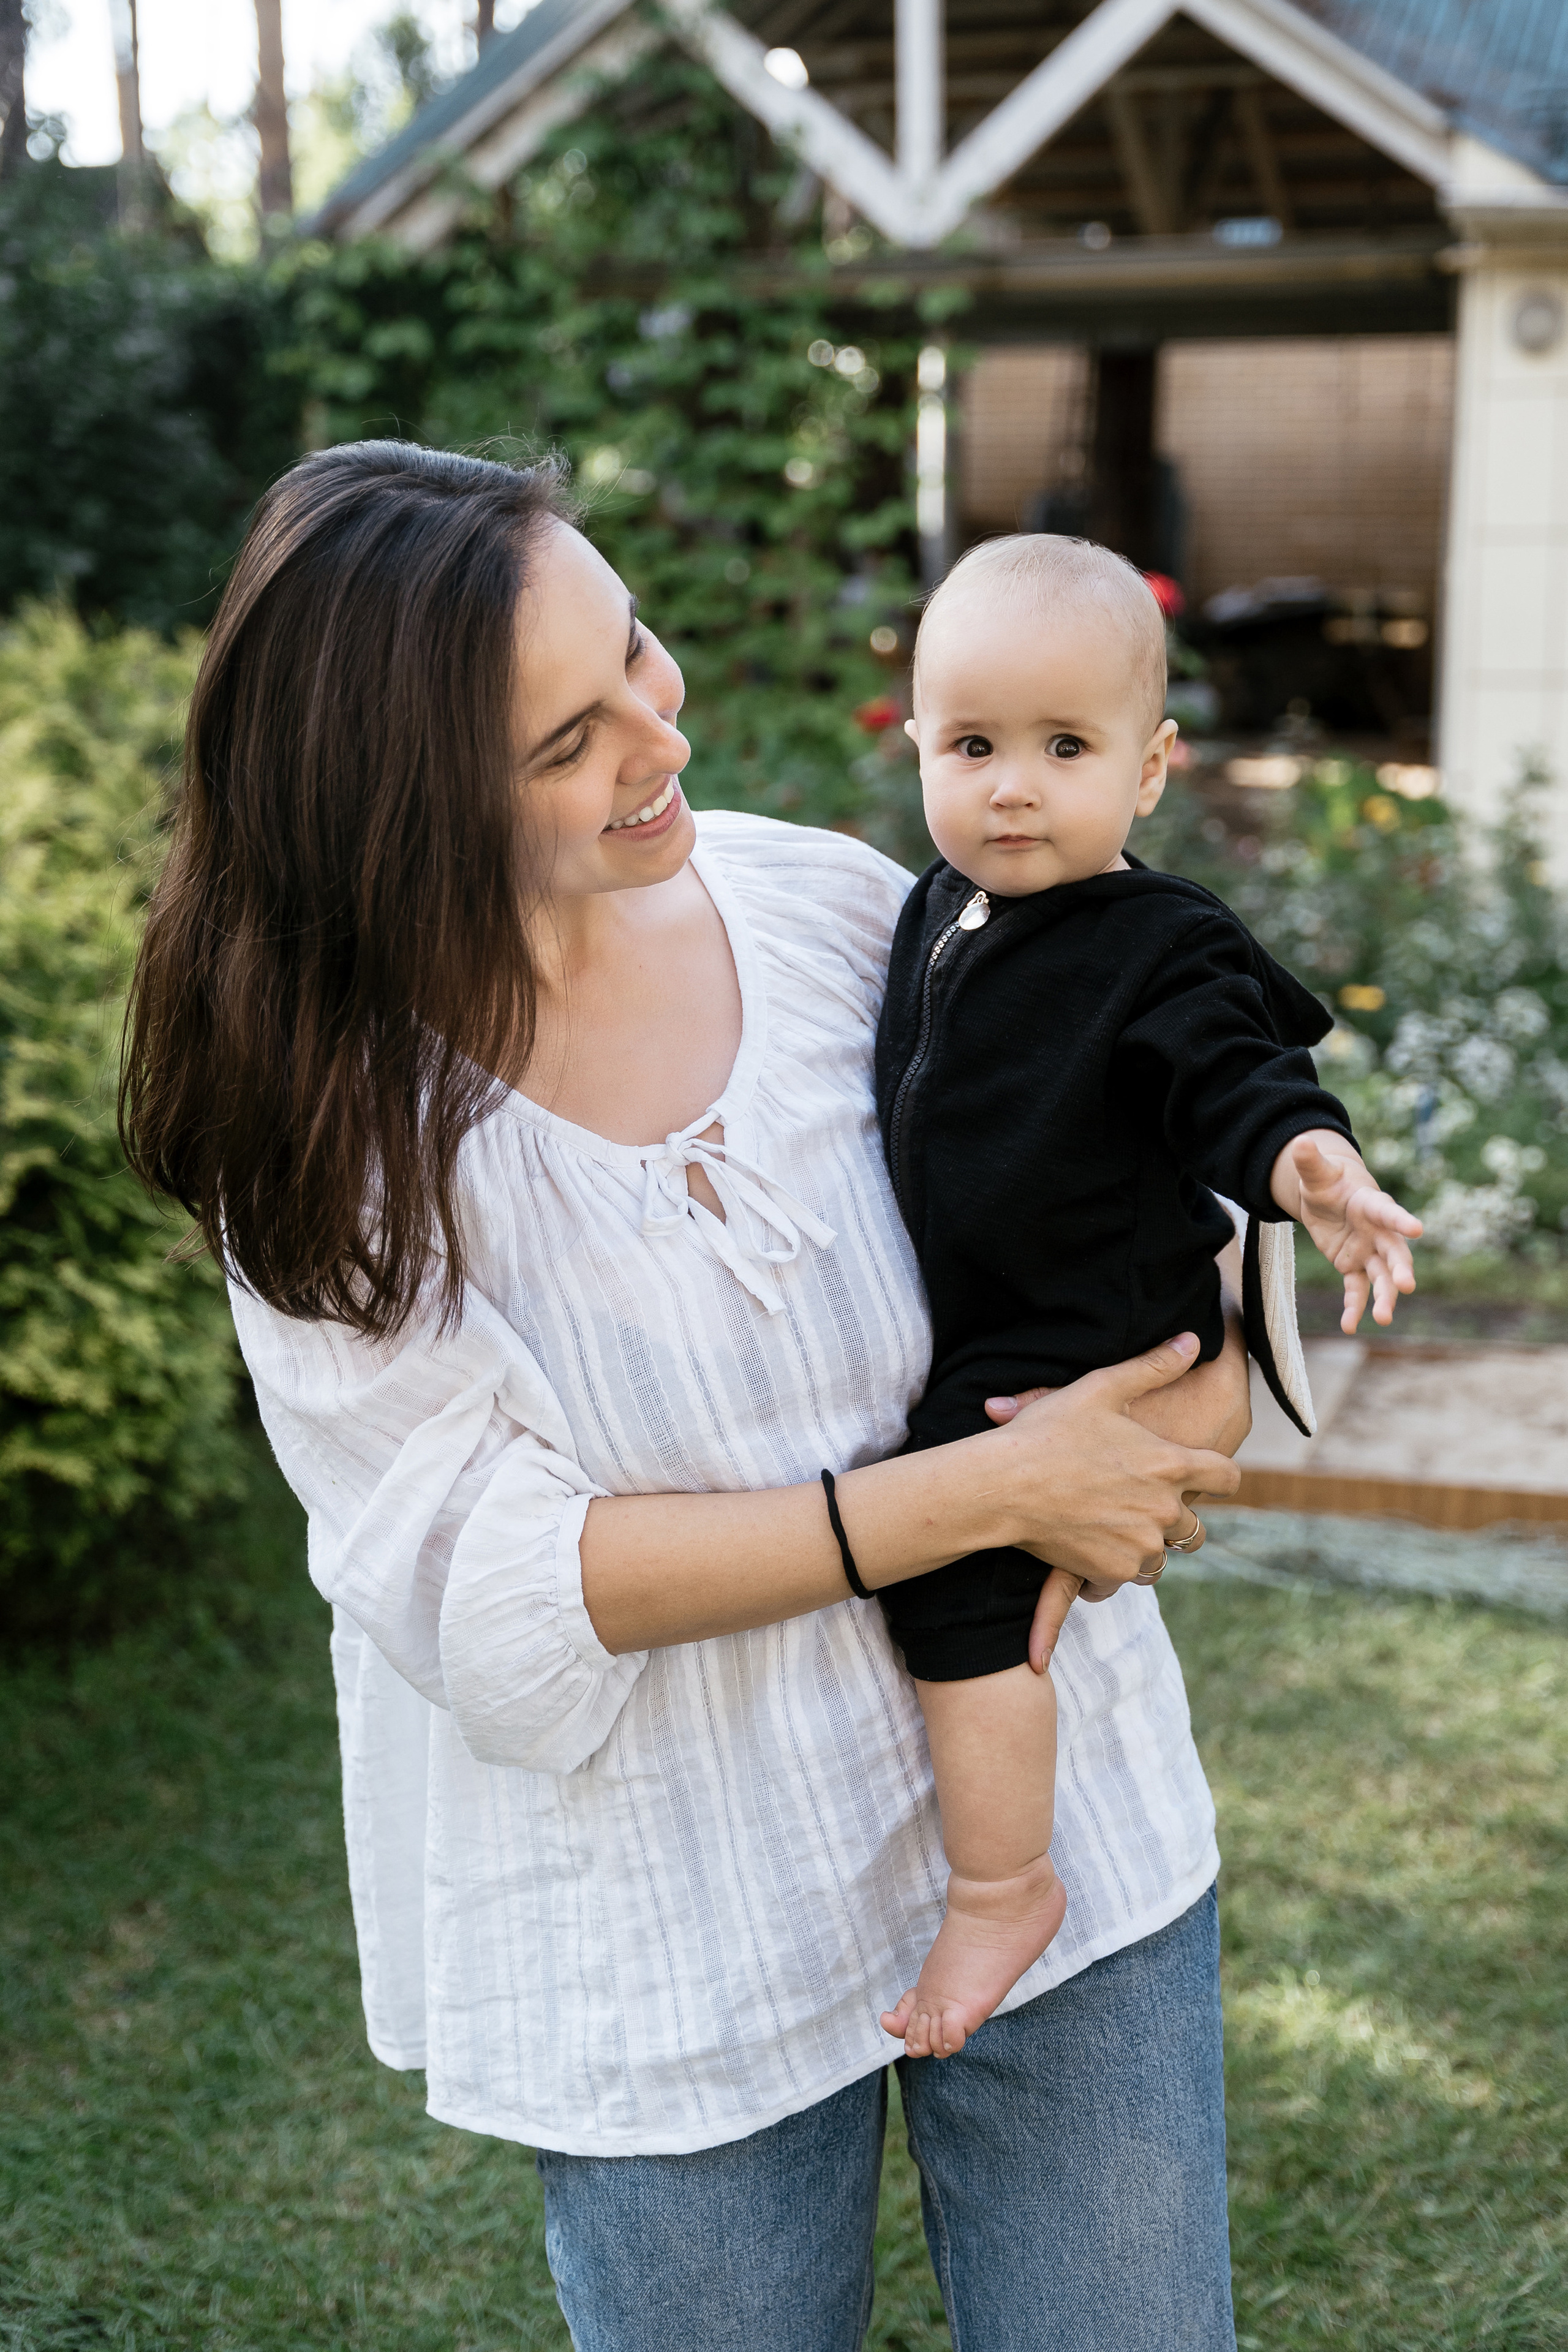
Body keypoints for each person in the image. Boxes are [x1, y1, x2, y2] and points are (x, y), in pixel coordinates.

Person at [121, 443, 1253, 2352]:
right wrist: (980, 1499)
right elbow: (480, 1584)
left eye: (635, 649)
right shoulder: (337, 1140)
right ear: (404, 807)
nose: (665, 737)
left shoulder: (837, 913)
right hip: (670, 1921)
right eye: (569, 742)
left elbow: (1142, 1227)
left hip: (1065, 1826)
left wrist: (1180, 1415)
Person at [873, 534, 1422, 2065]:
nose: (1013, 790)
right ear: (917, 744)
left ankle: (1003, 1885)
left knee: (955, 1578)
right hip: (1003, 1305)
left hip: (1085, 1326)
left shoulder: (1156, 946)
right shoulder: (936, 908)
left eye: (1065, 749)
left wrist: (1308, 1168)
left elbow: (1236, 1075)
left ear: (1151, 767)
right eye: (973, 747)